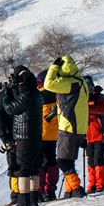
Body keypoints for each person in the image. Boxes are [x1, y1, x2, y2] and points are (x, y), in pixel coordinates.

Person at [43, 55, 90, 198]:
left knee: (62, 161)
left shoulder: (71, 83)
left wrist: (53, 67)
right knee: (69, 160)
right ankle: (69, 191)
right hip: (79, 127)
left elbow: (48, 84)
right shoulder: (82, 82)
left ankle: (76, 188)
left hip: (69, 127)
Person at [0, 65, 43, 206]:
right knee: (34, 168)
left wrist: (6, 96)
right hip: (37, 135)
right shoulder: (37, 94)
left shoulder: (26, 95)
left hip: (25, 135)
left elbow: (10, 108)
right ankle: (34, 199)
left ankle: (23, 201)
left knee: (23, 168)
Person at [0, 81, 19, 206]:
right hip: (28, 135)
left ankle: (16, 194)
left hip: (11, 135)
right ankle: (31, 192)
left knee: (14, 166)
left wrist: (4, 136)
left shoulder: (4, 95)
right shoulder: (28, 91)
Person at [86, 84, 104, 193]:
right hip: (88, 135)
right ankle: (92, 184)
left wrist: (86, 109)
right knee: (91, 161)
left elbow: (103, 110)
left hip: (101, 134)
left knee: (99, 160)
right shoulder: (83, 98)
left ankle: (100, 184)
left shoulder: (100, 97)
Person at [36, 69, 60, 201]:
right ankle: (51, 190)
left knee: (40, 164)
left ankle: (41, 190)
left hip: (41, 133)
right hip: (54, 134)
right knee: (52, 161)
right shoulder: (57, 93)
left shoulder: (40, 95)